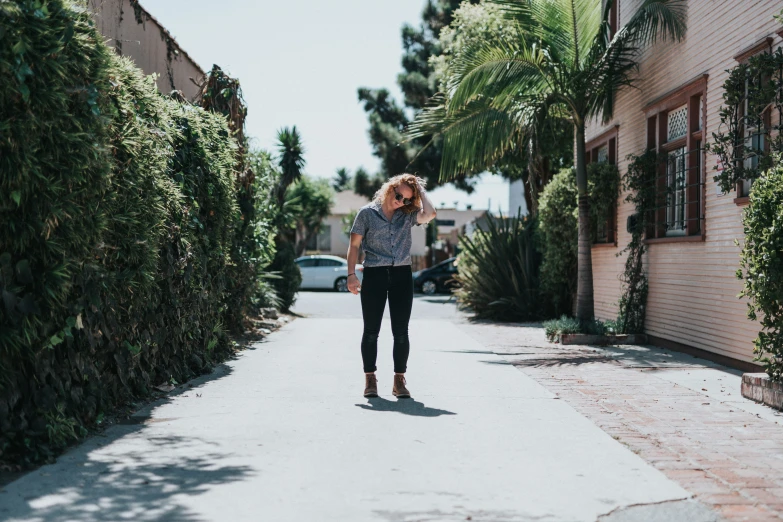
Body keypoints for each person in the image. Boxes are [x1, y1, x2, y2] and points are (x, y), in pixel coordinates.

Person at [347, 174, 437, 398]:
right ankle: (370, 379)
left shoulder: (406, 215)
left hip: (401, 275)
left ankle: (399, 381)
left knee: (401, 332)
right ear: (390, 188)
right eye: (399, 196)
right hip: (375, 274)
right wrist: (350, 275)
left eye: (406, 200)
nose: (401, 202)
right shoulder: (367, 213)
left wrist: (419, 190)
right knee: (371, 331)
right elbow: (354, 245)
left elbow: (431, 213)